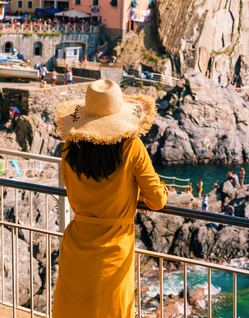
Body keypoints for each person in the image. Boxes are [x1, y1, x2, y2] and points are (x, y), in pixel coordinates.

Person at [52, 79, 167, 318]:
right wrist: (138, 195)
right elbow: (157, 200)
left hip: (76, 247)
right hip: (114, 251)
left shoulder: (69, 148)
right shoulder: (131, 146)